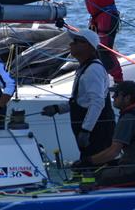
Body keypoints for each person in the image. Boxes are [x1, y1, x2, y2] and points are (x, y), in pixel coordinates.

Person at [40, 29, 115, 163]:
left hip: (97, 131)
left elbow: (97, 103)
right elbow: (81, 101)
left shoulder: (93, 70)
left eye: (76, 42)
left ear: (89, 47)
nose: (71, 44)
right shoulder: (84, 68)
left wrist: (86, 130)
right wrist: (58, 109)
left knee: (96, 165)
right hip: (91, 129)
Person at [77, 80, 135, 187]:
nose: (113, 97)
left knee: (96, 176)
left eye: (116, 94)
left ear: (127, 98)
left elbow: (113, 152)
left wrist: (87, 161)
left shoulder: (128, 118)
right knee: (108, 167)